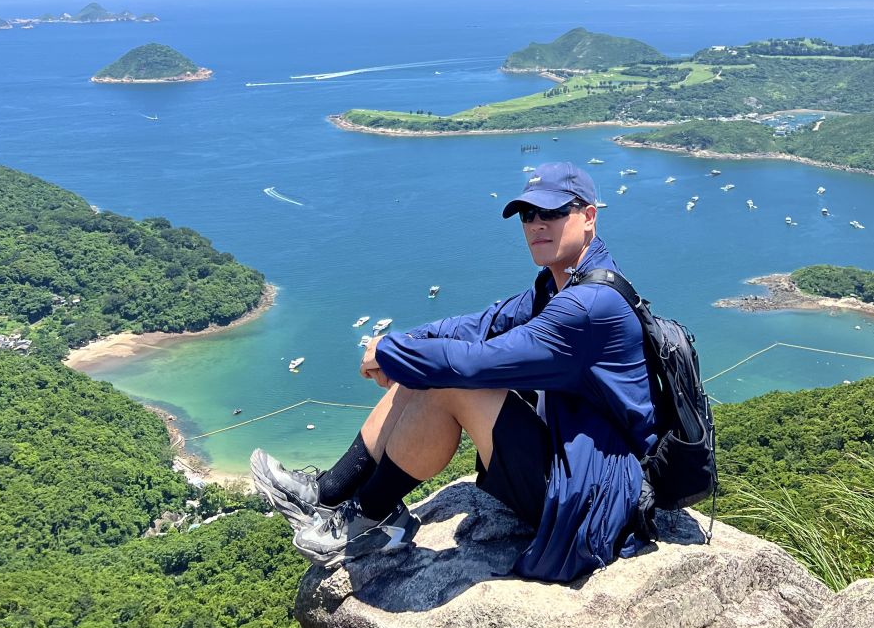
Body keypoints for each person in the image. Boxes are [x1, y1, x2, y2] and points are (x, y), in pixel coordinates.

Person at [250, 161, 656, 582]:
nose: (536, 224)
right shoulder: (557, 286)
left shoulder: (590, 306)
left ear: (588, 216)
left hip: (593, 496)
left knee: (448, 380)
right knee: (426, 365)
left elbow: (480, 364)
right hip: (566, 460)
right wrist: (403, 346)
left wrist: (391, 354)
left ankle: (370, 518)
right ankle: (330, 493)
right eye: (527, 214)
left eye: (552, 212)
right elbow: (479, 325)